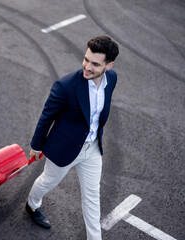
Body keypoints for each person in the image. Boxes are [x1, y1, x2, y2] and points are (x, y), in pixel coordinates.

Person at [25, 36, 119, 240]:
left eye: (95, 64)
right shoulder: (65, 86)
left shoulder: (111, 80)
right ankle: (32, 205)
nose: (87, 66)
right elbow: (46, 116)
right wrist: (36, 146)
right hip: (64, 148)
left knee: (93, 197)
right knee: (48, 181)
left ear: (109, 65)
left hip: (92, 148)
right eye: (86, 59)